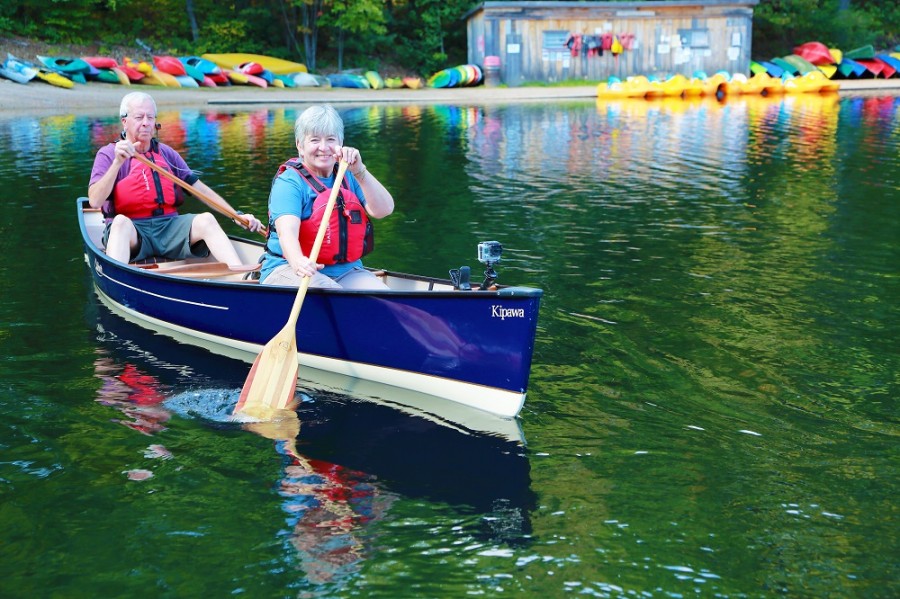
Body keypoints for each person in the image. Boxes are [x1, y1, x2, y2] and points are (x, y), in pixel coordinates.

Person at [88, 91, 262, 266]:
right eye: (139, 117)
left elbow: (201, 190)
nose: (146, 123)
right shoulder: (108, 154)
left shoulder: (167, 154)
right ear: (124, 121)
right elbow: (95, 201)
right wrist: (118, 163)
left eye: (150, 117)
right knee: (119, 223)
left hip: (168, 227)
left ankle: (241, 276)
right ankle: (120, 279)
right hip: (133, 232)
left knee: (206, 220)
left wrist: (237, 216)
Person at [260, 104, 394, 289]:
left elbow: (384, 210)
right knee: (333, 295)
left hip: (346, 270)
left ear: (341, 142)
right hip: (289, 268)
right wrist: (299, 262)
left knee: (382, 296)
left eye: (331, 139)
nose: (323, 147)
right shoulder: (290, 182)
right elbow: (287, 232)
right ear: (300, 145)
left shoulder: (348, 174)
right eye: (314, 140)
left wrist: (360, 172)